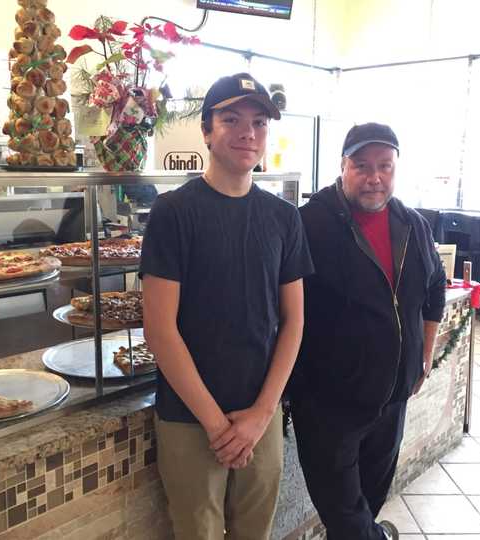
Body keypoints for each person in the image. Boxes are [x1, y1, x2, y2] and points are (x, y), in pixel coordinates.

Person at [140, 72, 314, 540]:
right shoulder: (173, 212)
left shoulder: (283, 217)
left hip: (262, 412)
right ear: (206, 130)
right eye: (232, 119)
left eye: (259, 122)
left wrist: (262, 413)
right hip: (190, 416)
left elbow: (294, 320)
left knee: (254, 532)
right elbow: (160, 330)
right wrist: (217, 425)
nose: (247, 132)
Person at [289, 122, 446, 540]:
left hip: (393, 398)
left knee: (369, 503)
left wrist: (424, 356)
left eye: (385, 166)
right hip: (329, 404)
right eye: (362, 165)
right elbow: (283, 311)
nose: (375, 177)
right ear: (343, 166)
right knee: (346, 517)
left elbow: (434, 288)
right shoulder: (308, 224)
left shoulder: (412, 224)